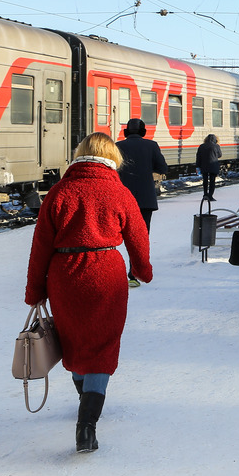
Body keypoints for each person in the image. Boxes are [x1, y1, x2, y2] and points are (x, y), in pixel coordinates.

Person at [24, 132, 152, 453]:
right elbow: (138, 236)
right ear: (113, 158)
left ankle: (86, 397)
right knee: (103, 344)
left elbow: (40, 246)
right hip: (107, 273)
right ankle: (87, 424)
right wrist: (140, 270)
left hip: (63, 276)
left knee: (74, 341)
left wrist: (35, 290)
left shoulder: (59, 192)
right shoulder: (119, 192)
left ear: (80, 155)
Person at [116, 118, 168, 287]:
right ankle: (135, 272)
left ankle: (116, 271)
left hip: (122, 199)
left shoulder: (118, 146)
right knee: (141, 236)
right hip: (145, 199)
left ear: (126, 132)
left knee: (120, 235)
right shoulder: (151, 146)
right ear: (143, 132)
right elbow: (162, 168)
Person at [195, 134, 222, 202]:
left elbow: (198, 156)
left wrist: (197, 166)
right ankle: (210, 196)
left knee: (205, 181)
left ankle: (205, 195)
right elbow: (220, 155)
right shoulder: (216, 146)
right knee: (212, 181)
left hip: (204, 166)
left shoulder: (202, 146)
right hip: (213, 165)